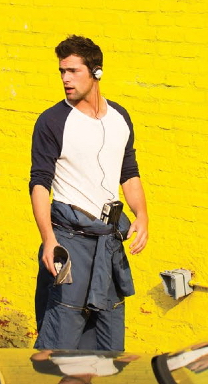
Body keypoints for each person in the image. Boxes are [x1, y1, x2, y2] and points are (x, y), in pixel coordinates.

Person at [29, 34, 148, 351]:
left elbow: (129, 171)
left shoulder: (120, 117)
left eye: (73, 71)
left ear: (96, 72)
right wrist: (49, 240)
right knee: (62, 333)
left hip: (108, 243)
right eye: (62, 71)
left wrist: (142, 216)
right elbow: (40, 184)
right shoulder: (52, 121)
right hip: (68, 240)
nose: (66, 79)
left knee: (108, 335)